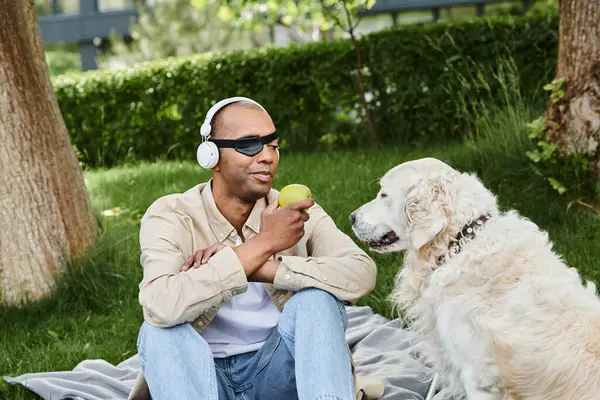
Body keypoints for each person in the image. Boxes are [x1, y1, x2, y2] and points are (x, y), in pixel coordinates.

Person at [129, 96, 380, 400]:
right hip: (202, 378)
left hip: (279, 373)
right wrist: (265, 243)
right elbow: (158, 305)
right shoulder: (173, 214)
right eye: (249, 145)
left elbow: (361, 272)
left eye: (273, 146)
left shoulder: (294, 213)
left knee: (317, 301)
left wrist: (262, 268)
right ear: (211, 156)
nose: (267, 157)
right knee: (160, 331)